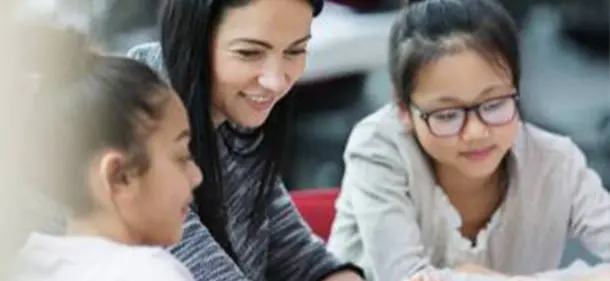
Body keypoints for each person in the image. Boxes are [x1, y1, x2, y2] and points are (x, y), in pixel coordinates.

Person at [326, 0, 610, 281]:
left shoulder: (554, 162)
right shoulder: (379, 147)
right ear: (404, 110)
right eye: (448, 115)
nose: (475, 132)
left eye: (494, 104)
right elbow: (407, 277)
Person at [127, 0, 364, 281]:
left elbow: (296, 254)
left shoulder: (234, 116)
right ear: (191, 34)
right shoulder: (131, 121)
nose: (276, 82)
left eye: (296, 50)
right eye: (249, 53)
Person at [11, 28, 202, 281]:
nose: (196, 176)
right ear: (119, 176)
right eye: (181, 157)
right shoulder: (149, 273)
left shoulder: (29, 265)